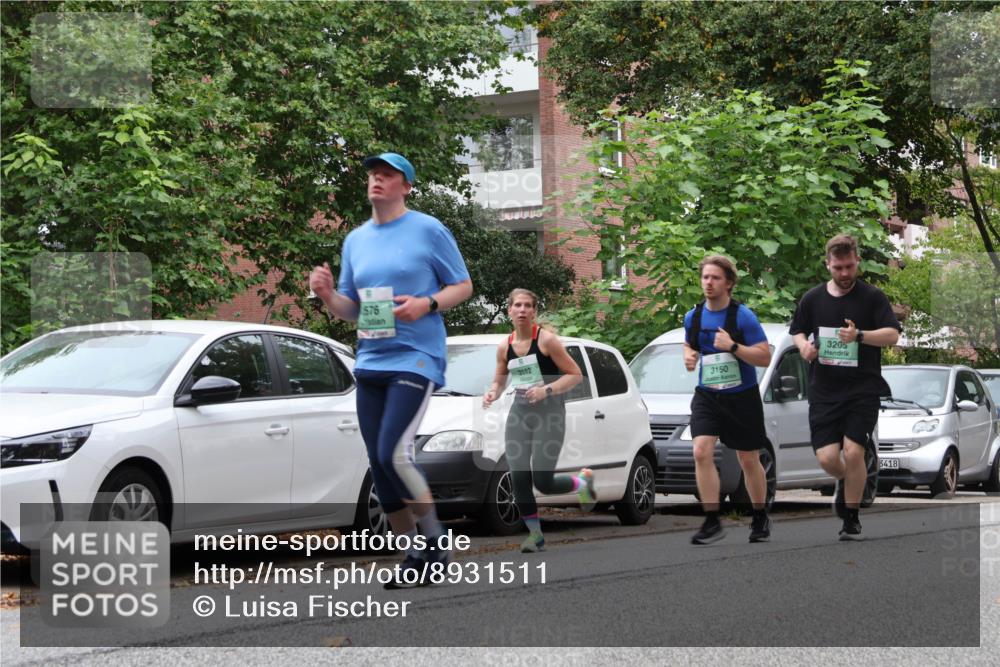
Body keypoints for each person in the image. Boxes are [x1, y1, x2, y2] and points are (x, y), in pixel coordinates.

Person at [309, 152, 473, 587]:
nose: (376, 180)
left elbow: (463, 285)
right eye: (373, 175)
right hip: (371, 358)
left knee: (392, 453)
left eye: (387, 175)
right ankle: (413, 553)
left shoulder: (428, 229)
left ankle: (437, 541)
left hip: (416, 356)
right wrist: (327, 295)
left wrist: (428, 303)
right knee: (379, 469)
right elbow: (351, 309)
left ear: (406, 186)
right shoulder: (356, 240)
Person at [789, 233, 900, 541]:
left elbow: (892, 335)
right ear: (828, 265)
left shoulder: (872, 297)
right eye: (838, 268)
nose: (845, 273)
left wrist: (860, 336)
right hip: (825, 391)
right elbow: (797, 331)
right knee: (827, 458)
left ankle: (850, 516)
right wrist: (804, 348)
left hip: (863, 389)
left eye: (849, 266)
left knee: (853, 452)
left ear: (857, 262)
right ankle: (850, 481)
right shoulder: (813, 299)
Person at [482, 288, 590, 553]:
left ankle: (582, 483)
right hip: (520, 412)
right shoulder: (503, 346)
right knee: (518, 475)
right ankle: (535, 534)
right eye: (517, 305)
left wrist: (546, 390)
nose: (522, 310)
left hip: (550, 412)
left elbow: (575, 375)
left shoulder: (547, 341)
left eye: (527, 306)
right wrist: (492, 392)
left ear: (534, 312)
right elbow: (499, 378)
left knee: (542, 480)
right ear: (509, 310)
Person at [683, 256, 773, 545]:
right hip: (708, 394)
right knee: (700, 451)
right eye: (705, 277)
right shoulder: (693, 317)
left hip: (741, 396)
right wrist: (688, 353)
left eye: (715, 278)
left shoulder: (742, 316)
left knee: (748, 458)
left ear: (729, 283)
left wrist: (733, 346)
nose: (708, 283)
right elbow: (690, 342)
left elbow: (764, 356)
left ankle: (759, 515)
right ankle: (712, 520)